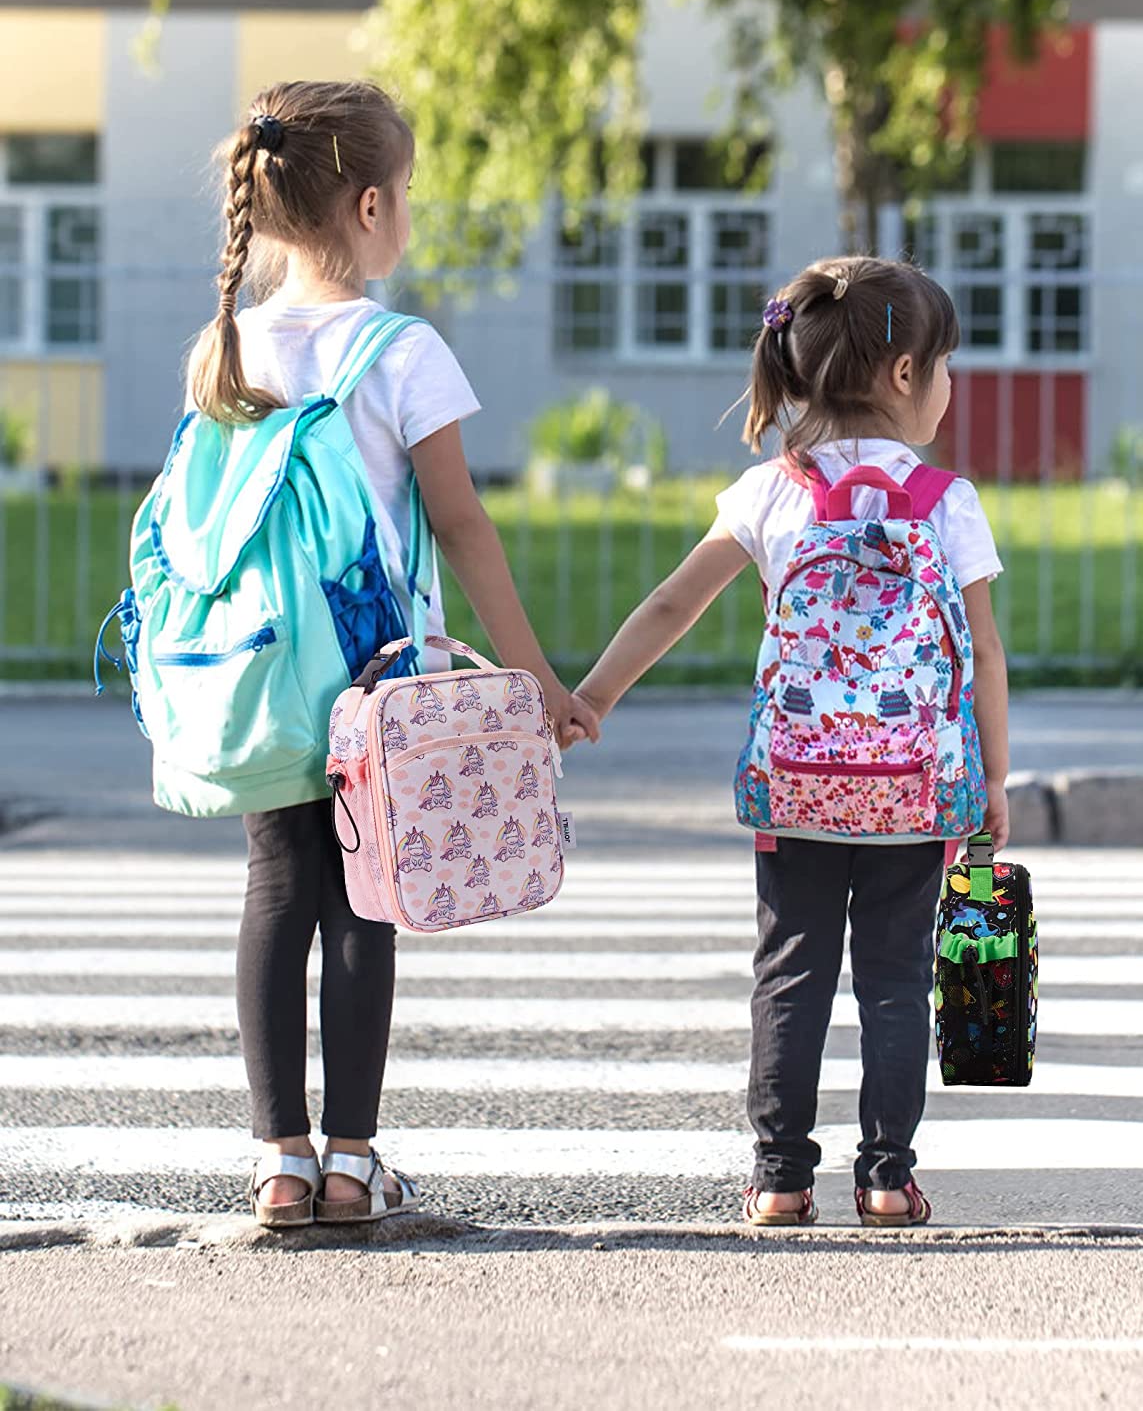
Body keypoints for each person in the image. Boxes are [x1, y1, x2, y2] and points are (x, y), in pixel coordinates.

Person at [187, 80, 598, 1226]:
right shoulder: (401, 349)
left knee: (277, 890)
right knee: (366, 900)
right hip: (380, 689)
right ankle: (354, 1162)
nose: (407, 211)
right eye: (405, 192)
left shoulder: (229, 343)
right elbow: (462, 526)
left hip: (266, 671)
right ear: (370, 205)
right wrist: (533, 684)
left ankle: (278, 1157)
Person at [573, 256, 1009, 1227]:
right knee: (896, 982)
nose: (948, 386)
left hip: (800, 785)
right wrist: (994, 774)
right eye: (943, 366)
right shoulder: (947, 501)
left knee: (791, 975)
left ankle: (778, 1178)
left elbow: (672, 600)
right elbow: (982, 650)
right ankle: (888, 1178)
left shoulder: (774, 491)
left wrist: (595, 695)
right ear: (903, 376)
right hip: (913, 791)